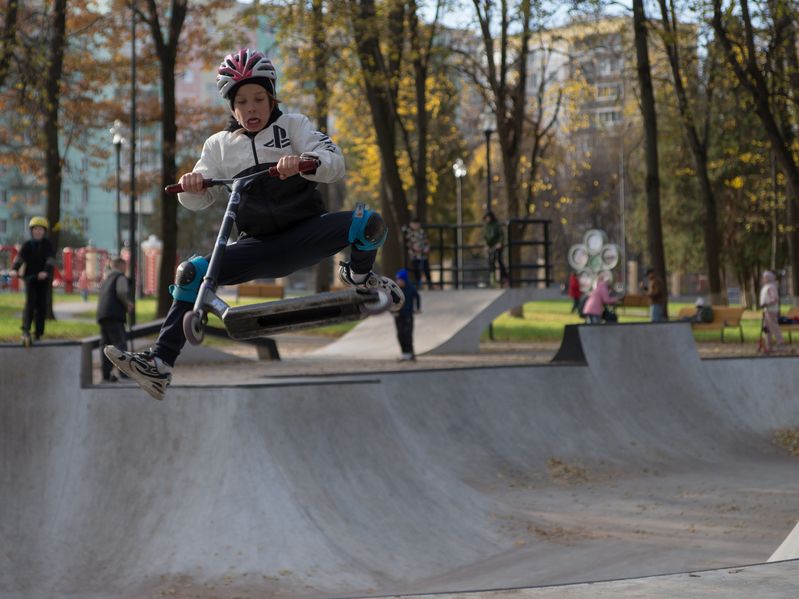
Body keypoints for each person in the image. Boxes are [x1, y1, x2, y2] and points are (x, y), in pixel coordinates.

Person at [104, 48, 403, 400]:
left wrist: (305, 161)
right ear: (231, 107)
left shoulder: (294, 126)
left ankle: (361, 276)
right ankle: (159, 364)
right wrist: (193, 185)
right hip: (257, 247)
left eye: (259, 99)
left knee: (368, 223)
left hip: (307, 234)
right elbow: (197, 199)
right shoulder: (218, 146)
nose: (251, 109)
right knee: (190, 272)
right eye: (242, 102)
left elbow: (334, 163)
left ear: (272, 97)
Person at [10, 216, 55, 345]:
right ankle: (25, 330)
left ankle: (39, 332)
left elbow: (50, 260)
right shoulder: (27, 245)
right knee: (29, 304)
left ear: (44, 231)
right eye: (35, 229)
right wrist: (14, 269)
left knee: (41, 306)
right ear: (32, 231)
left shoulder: (48, 245)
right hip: (30, 279)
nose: (38, 231)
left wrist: (45, 271)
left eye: (40, 229)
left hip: (43, 280)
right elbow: (19, 258)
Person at [97, 258, 134, 382]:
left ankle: (106, 375)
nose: (126, 269)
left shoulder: (106, 279)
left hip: (103, 315)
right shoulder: (120, 277)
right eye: (125, 266)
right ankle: (124, 373)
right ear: (120, 266)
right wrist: (128, 304)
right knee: (119, 344)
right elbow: (121, 292)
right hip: (115, 314)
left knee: (106, 346)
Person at [394, 268, 421, 361]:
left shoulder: (411, 288)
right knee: (400, 334)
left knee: (407, 334)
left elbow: (417, 296)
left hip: (408, 314)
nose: (398, 281)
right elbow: (390, 301)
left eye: (400, 280)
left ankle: (410, 353)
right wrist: (393, 311)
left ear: (404, 280)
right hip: (398, 315)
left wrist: (417, 308)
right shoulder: (396, 290)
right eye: (397, 279)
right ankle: (404, 353)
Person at [403, 217, 433, 289]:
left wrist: (426, 248)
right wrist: (413, 248)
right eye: (413, 224)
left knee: (426, 268)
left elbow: (426, 241)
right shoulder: (409, 232)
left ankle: (429, 283)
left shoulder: (422, 232)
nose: (415, 226)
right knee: (416, 269)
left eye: (417, 224)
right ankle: (418, 284)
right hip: (414, 255)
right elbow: (407, 242)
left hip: (423, 254)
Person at [759, 270, 784, 352]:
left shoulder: (771, 286)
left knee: (773, 326)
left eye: (765, 277)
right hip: (766, 310)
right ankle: (768, 345)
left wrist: (766, 304)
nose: (764, 278)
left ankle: (780, 342)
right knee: (766, 328)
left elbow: (775, 299)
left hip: (771, 310)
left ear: (769, 277)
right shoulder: (766, 286)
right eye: (764, 277)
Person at [483, 211, 508, 287]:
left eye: (488, 217)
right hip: (490, 246)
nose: (487, 219)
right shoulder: (486, 226)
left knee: (499, 260)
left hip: (497, 246)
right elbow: (485, 237)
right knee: (491, 261)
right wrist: (486, 245)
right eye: (486, 218)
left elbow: (501, 235)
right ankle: (492, 279)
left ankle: (504, 277)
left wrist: (500, 243)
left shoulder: (496, 225)